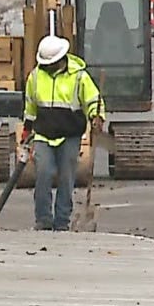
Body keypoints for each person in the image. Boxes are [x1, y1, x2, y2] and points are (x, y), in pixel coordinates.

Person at [21, 35, 105, 231]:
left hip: (70, 135)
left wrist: (97, 116)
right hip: (43, 134)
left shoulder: (79, 77)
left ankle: (61, 221)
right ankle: (43, 219)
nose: (47, 67)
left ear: (61, 59)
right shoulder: (35, 77)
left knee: (67, 177)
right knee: (44, 172)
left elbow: (92, 99)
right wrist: (27, 130)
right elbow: (30, 107)